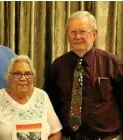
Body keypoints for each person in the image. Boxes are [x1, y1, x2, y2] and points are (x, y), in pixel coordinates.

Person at [46, 11, 123, 140]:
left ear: (94, 34)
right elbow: (51, 105)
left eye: (82, 32)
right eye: (73, 32)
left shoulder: (112, 63)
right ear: (67, 36)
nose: (77, 37)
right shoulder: (58, 66)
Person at [0, 55, 62, 140]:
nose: (23, 78)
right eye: (17, 74)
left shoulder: (42, 96)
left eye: (28, 74)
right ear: (9, 78)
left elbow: (56, 133)